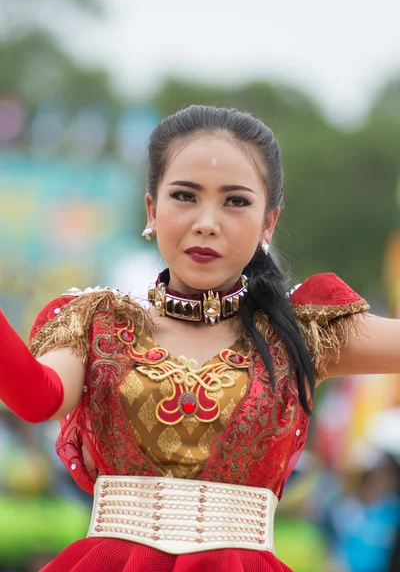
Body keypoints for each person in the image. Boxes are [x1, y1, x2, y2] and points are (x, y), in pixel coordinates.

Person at [0, 105, 397, 572]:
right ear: (152, 209)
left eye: (235, 201)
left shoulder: (303, 330)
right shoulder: (93, 322)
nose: (207, 221)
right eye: (185, 196)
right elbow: (37, 399)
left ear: (269, 222)